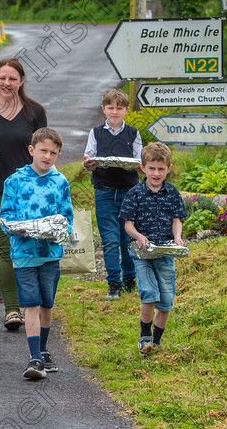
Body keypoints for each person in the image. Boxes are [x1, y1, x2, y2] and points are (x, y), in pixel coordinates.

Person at [0, 58, 47, 330]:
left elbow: (44, 150)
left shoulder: (35, 111)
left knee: (32, 247)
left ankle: (33, 304)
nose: (6, 83)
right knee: (6, 248)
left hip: (30, 190)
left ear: (21, 81)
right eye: (1, 78)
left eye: (12, 79)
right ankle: (13, 310)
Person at [0, 127, 73, 379]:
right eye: (43, 150)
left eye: (53, 153)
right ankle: (34, 358)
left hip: (51, 253)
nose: (47, 156)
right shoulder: (15, 181)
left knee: (46, 303)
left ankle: (43, 349)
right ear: (32, 150)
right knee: (30, 303)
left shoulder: (60, 181)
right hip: (23, 254)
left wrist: (62, 231)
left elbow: (67, 217)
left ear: (58, 155)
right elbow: (5, 217)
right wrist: (18, 229)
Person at [119, 142, 186, 355]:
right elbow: (128, 224)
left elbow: (177, 219)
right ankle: (145, 335)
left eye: (161, 169)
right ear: (143, 168)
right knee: (149, 292)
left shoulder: (172, 192)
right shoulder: (135, 193)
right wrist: (139, 236)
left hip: (165, 252)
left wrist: (177, 237)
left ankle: (156, 341)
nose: (156, 173)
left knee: (166, 298)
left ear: (169, 169)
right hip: (142, 253)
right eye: (151, 168)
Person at [82, 89, 143, 300]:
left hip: (129, 192)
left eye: (119, 108)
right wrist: (88, 163)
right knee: (109, 240)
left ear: (127, 110)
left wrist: (141, 167)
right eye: (110, 108)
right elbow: (89, 159)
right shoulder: (96, 132)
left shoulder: (133, 133)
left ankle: (129, 279)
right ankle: (113, 284)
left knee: (128, 238)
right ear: (104, 109)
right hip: (104, 192)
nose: (114, 112)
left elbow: (138, 161)